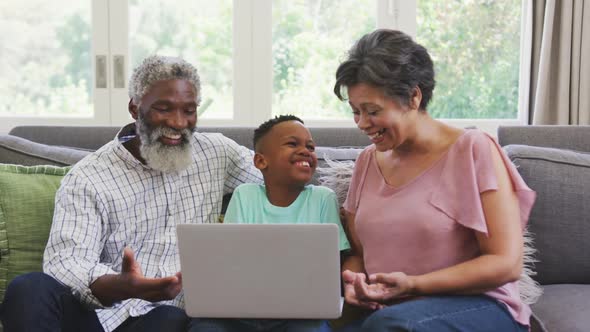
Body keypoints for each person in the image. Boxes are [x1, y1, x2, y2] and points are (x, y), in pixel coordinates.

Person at [0, 55, 262, 332]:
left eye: (189, 110)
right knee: (29, 288)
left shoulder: (218, 153)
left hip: (172, 316)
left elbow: (278, 178)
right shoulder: (89, 176)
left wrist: (300, 163)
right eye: (164, 109)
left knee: (168, 319)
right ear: (135, 108)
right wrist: (121, 285)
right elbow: (66, 262)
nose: (178, 122)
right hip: (102, 313)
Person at [332, 29, 536, 332]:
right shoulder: (366, 162)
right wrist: (353, 280)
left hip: (478, 306)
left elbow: (506, 263)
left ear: (414, 96)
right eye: (355, 112)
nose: (362, 123)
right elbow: (360, 255)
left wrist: (414, 285)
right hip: (392, 316)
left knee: (389, 326)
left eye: (372, 111)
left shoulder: (473, 149)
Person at [188, 115, 350, 332]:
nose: (306, 151)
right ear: (261, 161)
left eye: (310, 147)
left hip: (301, 315)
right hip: (238, 312)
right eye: (292, 144)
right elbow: (230, 259)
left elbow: (336, 261)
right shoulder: (245, 195)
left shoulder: (323, 198)